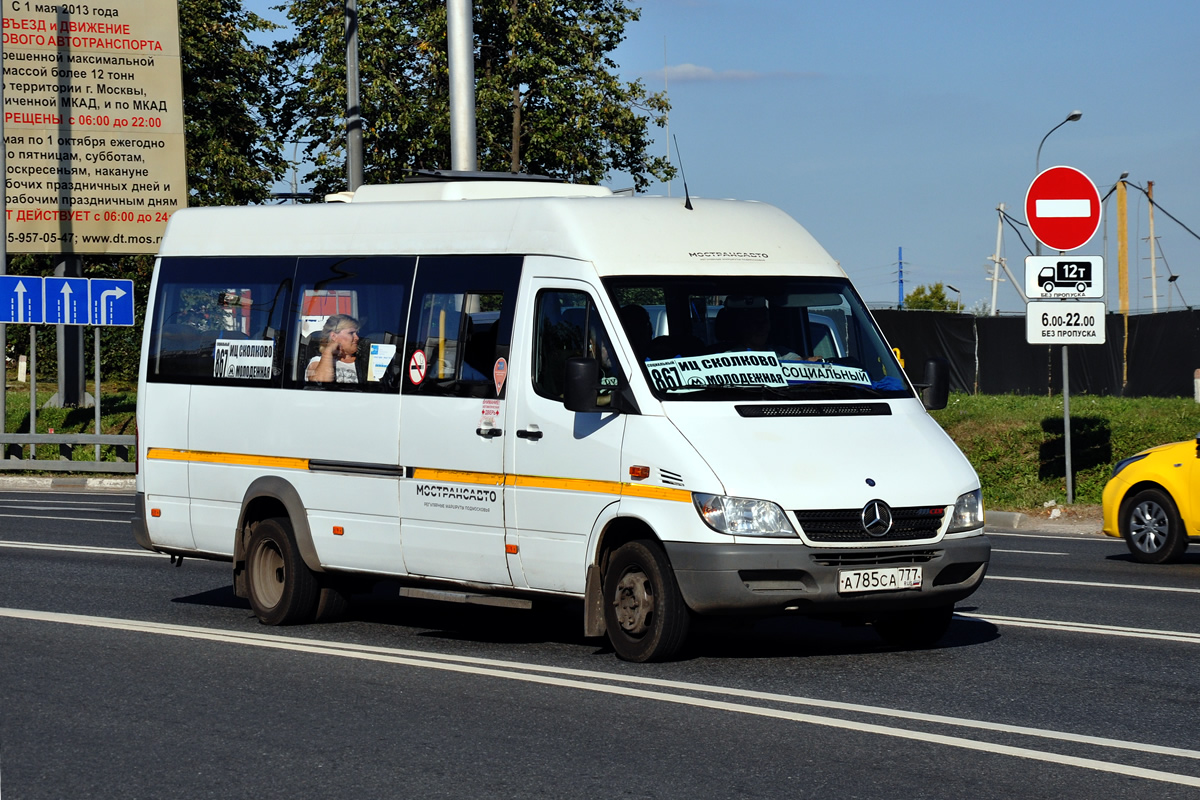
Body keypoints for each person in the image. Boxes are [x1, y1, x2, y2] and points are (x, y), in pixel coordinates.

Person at [305, 313, 362, 383]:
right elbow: (320, 384)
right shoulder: (317, 361)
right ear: (334, 336)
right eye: (351, 333)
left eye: (357, 333)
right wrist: (328, 352)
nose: (357, 338)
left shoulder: (363, 362)